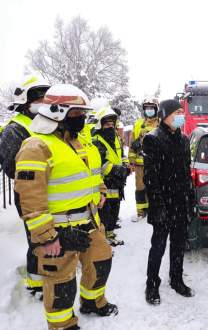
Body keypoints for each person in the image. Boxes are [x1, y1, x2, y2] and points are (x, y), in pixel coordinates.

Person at [15, 84, 117, 330]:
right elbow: (29, 198)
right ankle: (62, 325)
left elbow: (90, 174)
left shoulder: (79, 141)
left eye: (82, 113)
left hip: (89, 222)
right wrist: (47, 238)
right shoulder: (36, 146)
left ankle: (92, 302)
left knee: (101, 262)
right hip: (58, 231)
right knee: (61, 284)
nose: (81, 118)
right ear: (56, 112)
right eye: (75, 113)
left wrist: (100, 191)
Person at [0, 74, 50, 297]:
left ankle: (48, 273)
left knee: (49, 234)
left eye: (44, 98)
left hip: (49, 189)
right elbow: (12, 167)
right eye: (37, 99)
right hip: (29, 193)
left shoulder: (41, 125)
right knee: (37, 236)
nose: (42, 103)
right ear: (24, 102)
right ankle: (37, 283)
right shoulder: (15, 129)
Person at [143, 99, 196, 305]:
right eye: (176, 113)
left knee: (178, 245)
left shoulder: (184, 139)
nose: (181, 116)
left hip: (181, 203)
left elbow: (186, 173)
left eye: (182, 112)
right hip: (162, 204)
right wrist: (157, 206)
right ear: (165, 115)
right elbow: (151, 177)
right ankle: (151, 284)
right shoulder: (153, 139)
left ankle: (176, 279)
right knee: (158, 246)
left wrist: (190, 200)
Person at [92, 106, 131, 246]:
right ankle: (103, 241)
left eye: (112, 124)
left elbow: (121, 154)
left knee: (114, 210)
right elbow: (101, 163)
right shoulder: (96, 141)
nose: (110, 127)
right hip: (106, 182)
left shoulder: (115, 137)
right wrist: (116, 170)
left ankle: (110, 235)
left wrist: (126, 165)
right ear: (100, 125)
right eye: (107, 124)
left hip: (117, 183)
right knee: (105, 213)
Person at [129, 98, 159, 221]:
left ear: (156, 109)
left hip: (156, 163)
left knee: (156, 187)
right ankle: (141, 211)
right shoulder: (138, 124)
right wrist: (131, 160)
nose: (149, 110)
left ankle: (155, 210)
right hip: (140, 164)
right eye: (147, 108)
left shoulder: (160, 124)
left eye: (152, 108)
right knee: (140, 188)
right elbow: (132, 143)